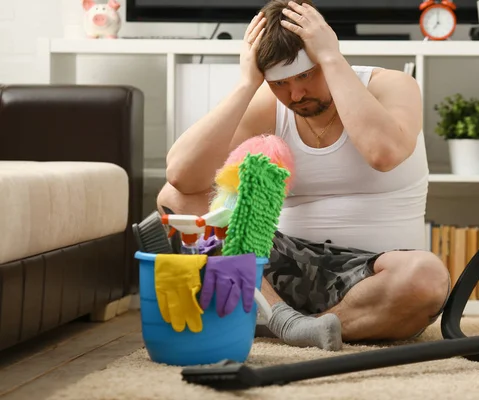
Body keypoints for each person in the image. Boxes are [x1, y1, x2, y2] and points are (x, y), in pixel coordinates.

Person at [157, 0, 451, 352]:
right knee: (176, 200)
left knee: (427, 278)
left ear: (326, 53)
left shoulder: (393, 86)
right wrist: (246, 85)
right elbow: (181, 177)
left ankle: (285, 323)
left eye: (305, 75)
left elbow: (382, 154)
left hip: (373, 277)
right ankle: (283, 318)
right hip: (277, 267)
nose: (295, 95)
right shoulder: (271, 101)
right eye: (280, 83)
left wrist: (331, 58)